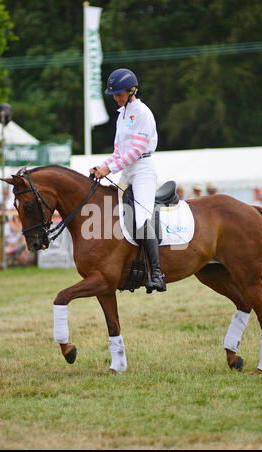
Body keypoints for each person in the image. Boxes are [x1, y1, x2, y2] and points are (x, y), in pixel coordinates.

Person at [90, 68, 166, 292]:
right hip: (126, 171)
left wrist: (109, 169)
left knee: (142, 218)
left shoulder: (142, 112)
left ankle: (157, 273)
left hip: (141, 169)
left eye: (120, 93)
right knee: (112, 213)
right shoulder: (121, 115)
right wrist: (101, 167)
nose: (116, 97)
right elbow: (118, 151)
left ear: (132, 90)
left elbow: (136, 151)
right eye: (114, 94)